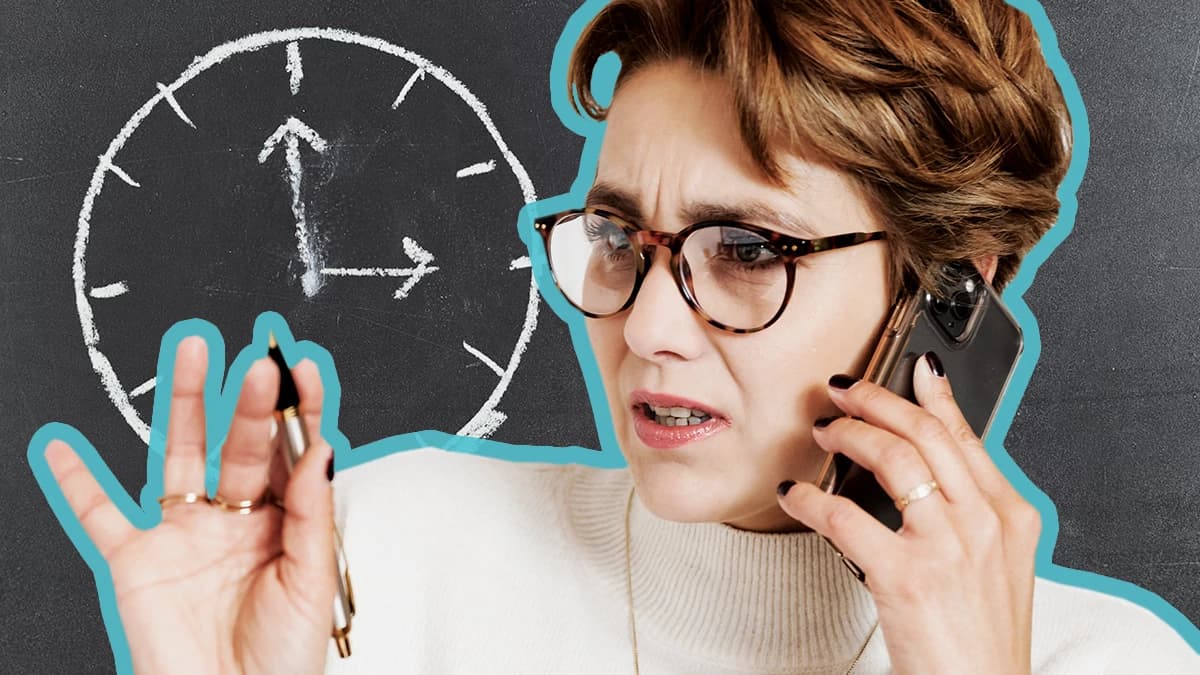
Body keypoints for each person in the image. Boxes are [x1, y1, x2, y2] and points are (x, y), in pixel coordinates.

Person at [38, 0, 1199, 673]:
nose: (645, 327)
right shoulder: (380, 556)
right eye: (614, 234)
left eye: (747, 252)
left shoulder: (1107, 665)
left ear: (950, 288)